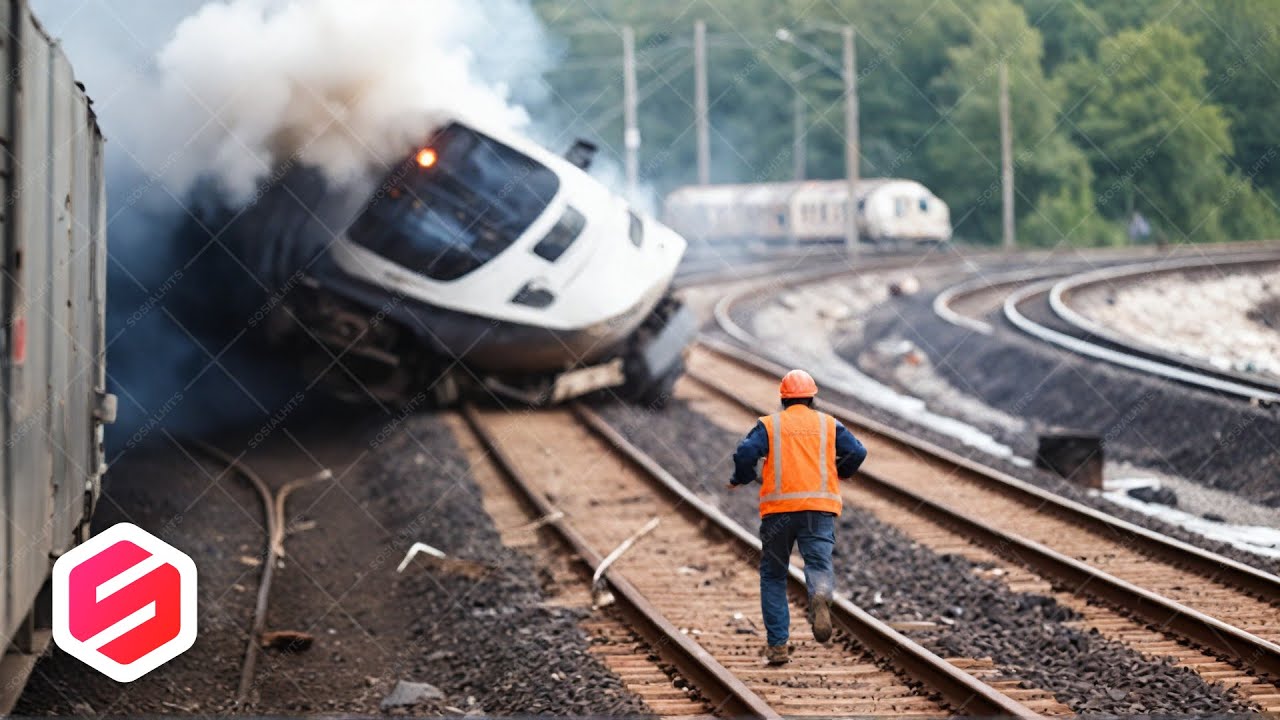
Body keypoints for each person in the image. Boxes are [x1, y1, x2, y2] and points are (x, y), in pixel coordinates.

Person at [728, 369, 867, 665]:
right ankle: (819, 595)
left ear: (783, 398)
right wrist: (840, 472)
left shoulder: (770, 425)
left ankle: (778, 645)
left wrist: (743, 476)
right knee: (818, 564)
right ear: (812, 397)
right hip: (818, 509)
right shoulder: (829, 425)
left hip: (778, 513)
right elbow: (857, 451)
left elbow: (744, 453)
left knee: (773, 576)